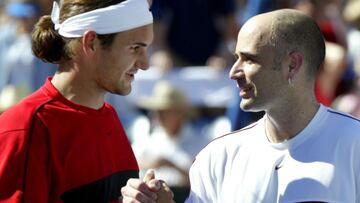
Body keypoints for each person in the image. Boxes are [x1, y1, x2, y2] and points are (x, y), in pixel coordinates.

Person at [0, 0, 173, 202]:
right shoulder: (24, 128)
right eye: (135, 48)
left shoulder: (108, 116)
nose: (145, 64)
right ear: (91, 42)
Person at [184, 9, 360, 202]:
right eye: (236, 59)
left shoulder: (354, 144)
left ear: (292, 64)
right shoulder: (218, 157)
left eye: (249, 59)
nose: (234, 72)